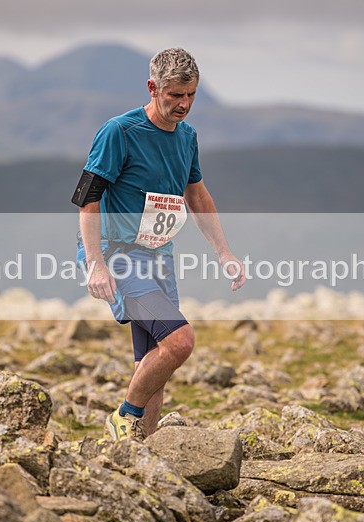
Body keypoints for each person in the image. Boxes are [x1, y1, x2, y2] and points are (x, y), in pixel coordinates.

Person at [72, 47, 245, 440]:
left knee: (155, 363)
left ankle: (142, 449)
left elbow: (197, 196)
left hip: (158, 256)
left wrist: (224, 253)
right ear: (153, 88)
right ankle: (124, 416)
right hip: (118, 256)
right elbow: (88, 197)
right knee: (180, 341)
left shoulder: (187, 137)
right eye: (175, 95)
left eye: (191, 96)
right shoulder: (119, 131)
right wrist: (95, 263)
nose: (184, 104)